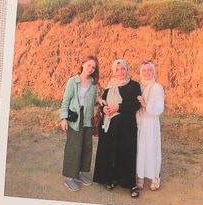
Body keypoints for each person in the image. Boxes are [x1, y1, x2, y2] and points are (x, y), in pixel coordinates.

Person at [93, 59, 142, 196]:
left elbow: (135, 105)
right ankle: (112, 178)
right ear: (114, 71)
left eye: (123, 69)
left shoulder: (134, 85)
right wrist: (105, 108)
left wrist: (118, 107)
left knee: (127, 153)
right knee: (112, 152)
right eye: (117, 69)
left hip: (126, 126)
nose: (120, 72)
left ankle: (130, 184)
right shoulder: (110, 86)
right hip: (110, 125)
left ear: (127, 70)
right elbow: (103, 102)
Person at [60, 56, 99, 192]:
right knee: (73, 147)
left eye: (93, 67)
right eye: (89, 65)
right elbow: (65, 101)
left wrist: (99, 101)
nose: (91, 69)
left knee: (86, 146)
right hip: (75, 118)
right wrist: (63, 118)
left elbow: (93, 101)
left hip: (87, 118)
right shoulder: (73, 81)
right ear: (82, 64)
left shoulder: (93, 84)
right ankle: (70, 178)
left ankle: (80, 174)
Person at [136, 60, 165, 193]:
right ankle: (141, 176)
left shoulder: (157, 87)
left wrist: (146, 104)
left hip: (151, 123)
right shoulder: (139, 87)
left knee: (152, 148)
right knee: (141, 149)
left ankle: (154, 177)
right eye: (144, 70)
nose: (147, 73)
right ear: (141, 72)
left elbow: (159, 107)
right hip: (141, 122)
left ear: (153, 71)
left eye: (149, 70)